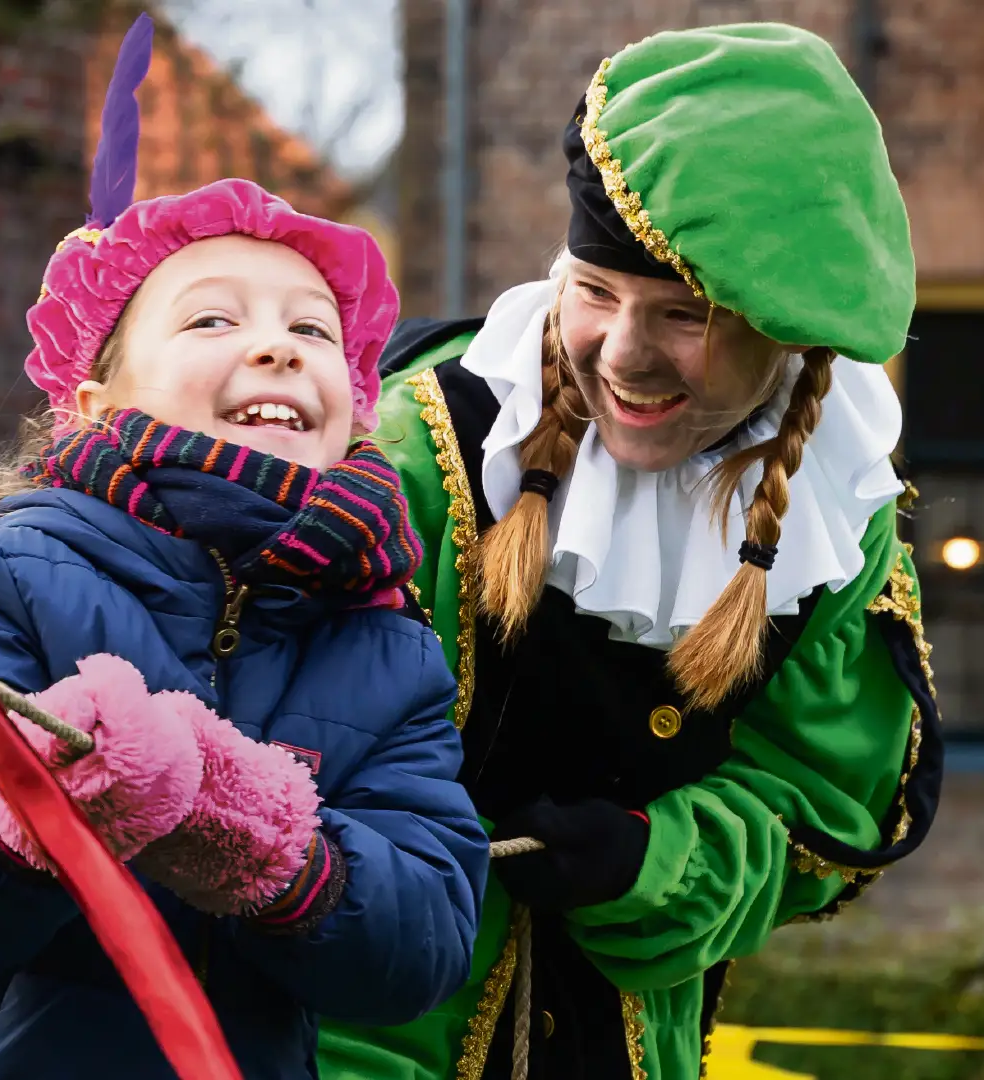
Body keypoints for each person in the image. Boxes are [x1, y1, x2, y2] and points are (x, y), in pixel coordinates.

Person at [0, 16, 488, 1079]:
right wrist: (46, 797)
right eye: (211, 322)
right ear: (95, 404)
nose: (277, 346)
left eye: (312, 330)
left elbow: (424, 945)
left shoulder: (389, 648)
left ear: (356, 411)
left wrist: (271, 846)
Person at [316, 23, 944, 1080]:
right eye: (595, 294)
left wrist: (653, 864)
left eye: (683, 315)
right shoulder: (413, 459)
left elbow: (821, 808)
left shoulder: (836, 518)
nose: (623, 354)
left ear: (790, 333)